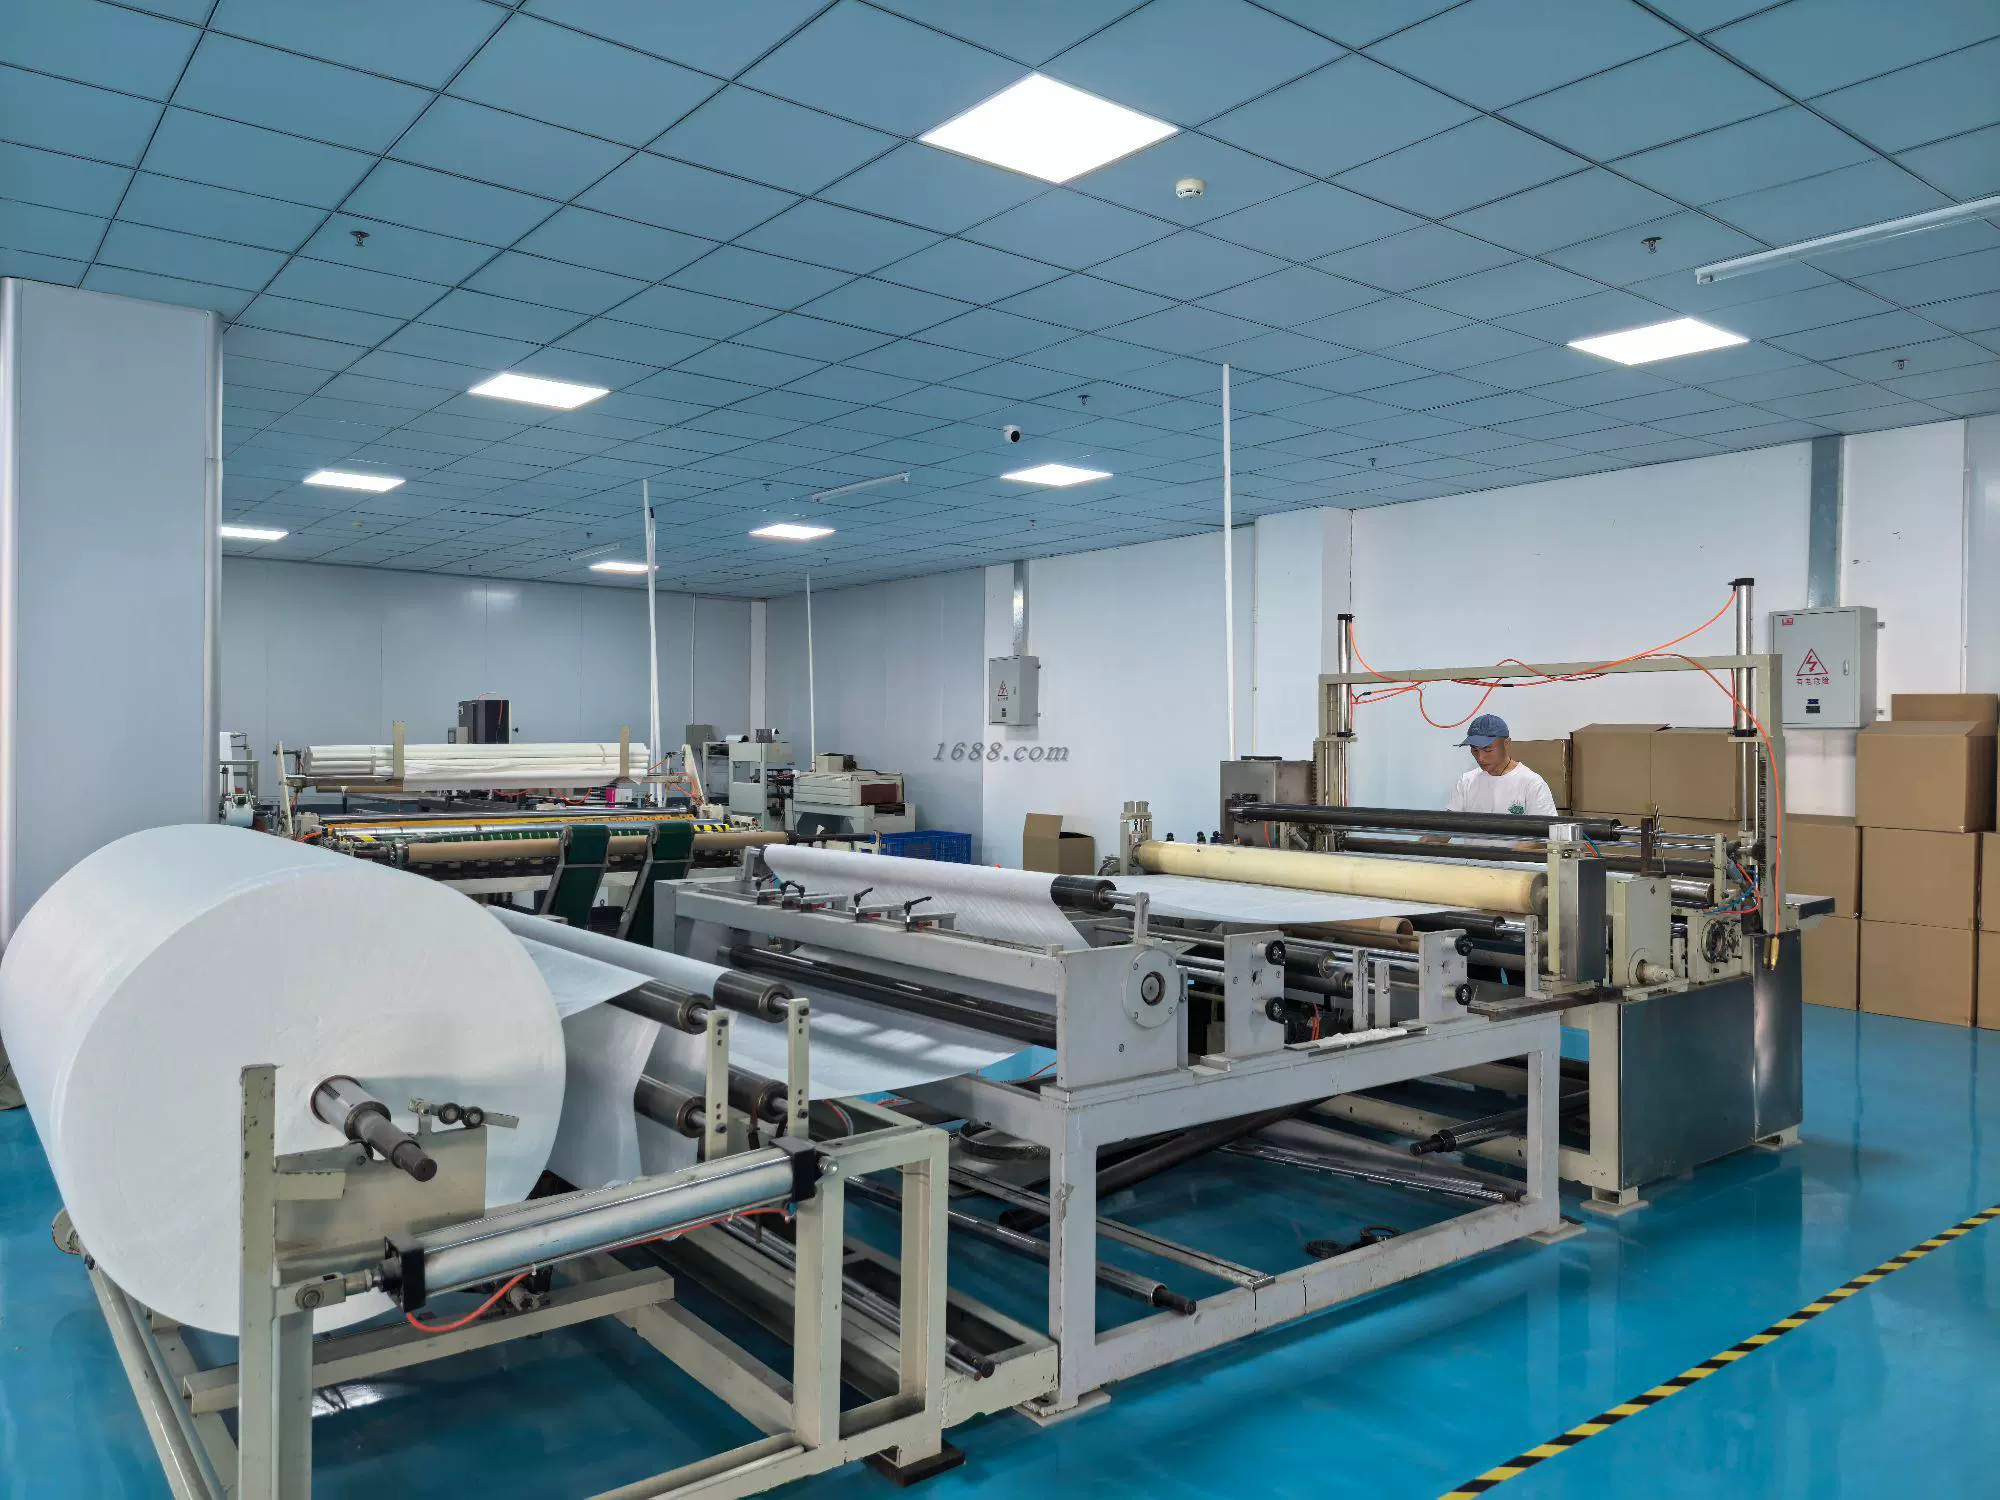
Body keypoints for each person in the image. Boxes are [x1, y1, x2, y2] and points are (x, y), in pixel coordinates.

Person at [1447, 714, 1556, 817]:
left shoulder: (1532, 784)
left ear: (1507, 743)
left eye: (1488, 750)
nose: (1480, 758)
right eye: (1475, 750)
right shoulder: (1466, 782)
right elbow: (1449, 825)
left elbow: (1547, 829)